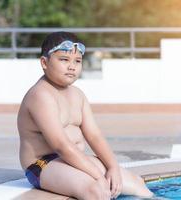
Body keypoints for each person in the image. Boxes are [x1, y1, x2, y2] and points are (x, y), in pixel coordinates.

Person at [17, 31, 153, 200]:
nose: (72, 66)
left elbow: (94, 136)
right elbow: (61, 145)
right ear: (44, 62)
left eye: (77, 61)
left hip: (72, 159)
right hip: (42, 164)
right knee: (96, 190)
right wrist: (97, 176)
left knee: (136, 184)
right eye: (64, 60)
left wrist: (113, 167)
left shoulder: (77, 95)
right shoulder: (41, 95)